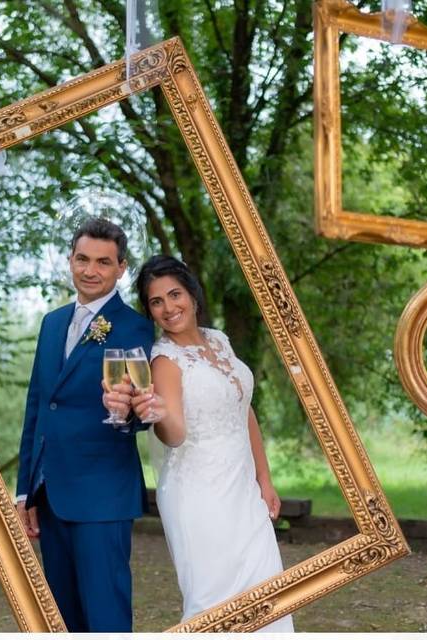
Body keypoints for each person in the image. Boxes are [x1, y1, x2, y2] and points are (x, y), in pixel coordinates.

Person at [104, 254, 294, 631]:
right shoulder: (163, 361)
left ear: (192, 294)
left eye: (174, 295)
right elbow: (174, 435)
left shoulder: (219, 340)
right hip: (199, 497)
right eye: (156, 302)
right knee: (214, 602)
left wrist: (265, 479)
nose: (168, 308)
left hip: (244, 493)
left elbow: (244, 410)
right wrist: (156, 414)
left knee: (269, 594)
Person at [16, 218, 154, 632]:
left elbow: (141, 408)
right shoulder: (52, 323)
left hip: (102, 495)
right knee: (61, 617)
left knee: (105, 616)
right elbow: (39, 407)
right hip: (49, 492)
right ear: (70, 260)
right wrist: (25, 489)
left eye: (103, 262)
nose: (90, 270)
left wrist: (128, 411)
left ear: (121, 268)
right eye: (82, 259)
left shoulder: (135, 327)